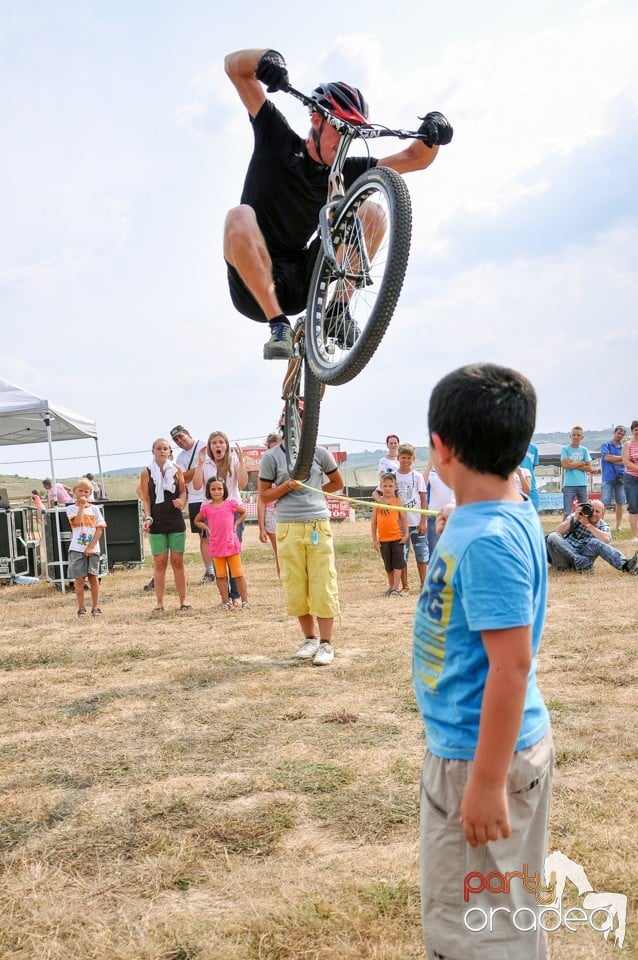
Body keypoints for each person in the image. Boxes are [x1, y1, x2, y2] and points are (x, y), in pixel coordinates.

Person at [413, 363, 553, 960]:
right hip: (485, 745)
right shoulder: (497, 510)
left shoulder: (489, 540)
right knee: (505, 909)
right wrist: (462, 513)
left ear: (440, 448)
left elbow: (511, 666)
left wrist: (487, 782)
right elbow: (506, 488)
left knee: (478, 924)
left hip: (479, 756)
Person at [224, 48, 452, 360]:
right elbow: (235, 69)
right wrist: (266, 58)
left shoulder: (343, 170)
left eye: (352, 133)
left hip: (299, 279)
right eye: (339, 128)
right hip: (251, 287)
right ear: (316, 120)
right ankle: (279, 327)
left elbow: (415, 158)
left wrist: (434, 130)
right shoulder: (276, 137)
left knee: (372, 212)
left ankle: (337, 312)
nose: (345, 140)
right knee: (239, 215)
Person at [258, 443, 344, 666]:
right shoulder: (272, 456)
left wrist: (315, 493)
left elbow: (338, 482)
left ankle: (326, 643)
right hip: (287, 525)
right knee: (295, 583)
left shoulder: (320, 452)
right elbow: (265, 496)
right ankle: (310, 639)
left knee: (322, 581)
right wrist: (286, 487)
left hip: (317, 523)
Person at [192, 431, 249, 606]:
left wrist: (240, 462)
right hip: (211, 513)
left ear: (226, 445)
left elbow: (243, 482)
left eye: (221, 442)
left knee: (232, 552)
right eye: (214, 443)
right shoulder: (206, 463)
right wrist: (200, 464)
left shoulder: (233, 461)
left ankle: (236, 595)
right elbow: (196, 485)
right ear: (210, 446)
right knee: (217, 553)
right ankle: (224, 599)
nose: (218, 446)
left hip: (231, 511)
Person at [139, 438, 191, 613]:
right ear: (153, 451)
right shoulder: (146, 473)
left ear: (170, 451)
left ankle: (183, 601)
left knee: (178, 562)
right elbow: (146, 498)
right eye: (159, 448)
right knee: (159, 562)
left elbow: (183, 491)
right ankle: (159, 603)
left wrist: (181, 501)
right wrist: (148, 517)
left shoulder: (176, 470)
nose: (162, 451)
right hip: (157, 521)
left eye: (165, 448)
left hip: (175, 520)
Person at [374, 443, 428, 589]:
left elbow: (423, 499)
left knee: (421, 555)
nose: (406, 460)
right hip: (398, 526)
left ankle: (424, 584)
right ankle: (404, 586)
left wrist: (423, 521)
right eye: (403, 457)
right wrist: (381, 502)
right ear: (398, 458)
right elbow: (376, 492)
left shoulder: (417, 477)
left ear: (413, 459)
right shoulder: (392, 477)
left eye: (409, 458)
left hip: (416, 522)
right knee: (401, 557)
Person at [194, 478, 249, 610]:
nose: (217, 491)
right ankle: (225, 601)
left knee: (238, 574)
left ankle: (245, 601)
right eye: (213, 489)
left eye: (219, 488)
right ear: (209, 491)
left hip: (231, 545)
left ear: (224, 490)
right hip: (216, 546)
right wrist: (206, 528)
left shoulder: (230, 504)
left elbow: (244, 512)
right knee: (221, 575)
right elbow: (197, 520)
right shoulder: (207, 508)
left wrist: (236, 524)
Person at [170, 425, 215, 583]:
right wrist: (197, 469)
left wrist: (191, 472)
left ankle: (221, 567)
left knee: (219, 534)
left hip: (213, 496)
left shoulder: (205, 444)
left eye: (181, 437)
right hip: (196, 499)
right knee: (203, 536)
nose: (180, 441)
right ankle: (209, 571)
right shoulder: (180, 458)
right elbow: (182, 478)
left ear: (188, 434)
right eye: (176, 440)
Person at [546, 500, 638, 575]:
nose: (593, 513)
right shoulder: (576, 516)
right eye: (592, 510)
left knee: (595, 542)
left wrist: (588, 525)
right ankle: (581, 562)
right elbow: (557, 532)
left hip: (584, 558)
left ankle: (626, 565)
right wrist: (574, 519)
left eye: (597, 511)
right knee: (553, 536)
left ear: (603, 514)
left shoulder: (603, 525)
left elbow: (606, 540)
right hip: (563, 561)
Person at [66, 477, 106, 617]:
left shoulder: (95, 509)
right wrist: (81, 506)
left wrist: (91, 546)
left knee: (93, 577)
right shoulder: (71, 508)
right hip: (77, 548)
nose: (83, 494)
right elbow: (76, 522)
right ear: (74, 491)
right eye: (80, 491)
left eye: (86, 491)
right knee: (79, 579)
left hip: (93, 549)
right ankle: (81, 608)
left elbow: (100, 529)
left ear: (90, 493)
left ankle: (95, 607)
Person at [371, 472, 409, 596]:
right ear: (381, 487)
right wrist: (375, 540)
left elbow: (404, 519)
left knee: (398, 564)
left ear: (395, 487)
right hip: (383, 539)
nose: (387, 488)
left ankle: (395, 588)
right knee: (388, 565)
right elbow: (374, 523)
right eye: (385, 486)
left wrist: (406, 534)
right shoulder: (377, 504)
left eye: (390, 486)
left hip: (397, 538)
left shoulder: (398, 502)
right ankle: (391, 586)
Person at [257, 432, 282, 576]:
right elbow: (261, 499)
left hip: (288, 511)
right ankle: (283, 580)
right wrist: (261, 528)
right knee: (279, 551)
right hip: (271, 513)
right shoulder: (265, 470)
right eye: (272, 449)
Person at [423, 462, 455, 558]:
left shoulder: (453, 470)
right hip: (434, 515)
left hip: (452, 515)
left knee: (452, 549)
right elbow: (422, 483)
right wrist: (429, 466)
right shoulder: (432, 472)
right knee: (434, 550)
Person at [560, 426, 592, 517]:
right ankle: (565, 531)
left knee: (585, 511)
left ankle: (583, 529)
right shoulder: (565, 449)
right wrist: (581, 463)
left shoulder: (584, 450)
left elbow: (589, 468)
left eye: (578, 435)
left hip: (582, 484)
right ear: (570, 436)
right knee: (567, 512)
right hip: (569, 485)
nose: (576, 437)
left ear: (582, 437)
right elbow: (565, 465)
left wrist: (573, 464)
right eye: (574, 435)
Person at [601, 426, 627, 533]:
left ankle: (618, 526)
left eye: (622, 434)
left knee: (620, 502)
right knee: (604, 503)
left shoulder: (624, 447)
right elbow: (607, 457)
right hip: (607, 477)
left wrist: (613, 459)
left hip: (620, 477)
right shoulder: (605, 445)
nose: (620, 435)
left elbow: (626, 462)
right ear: (614, 432)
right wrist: (622, 458)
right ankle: (600, 524)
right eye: (618, 433)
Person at [622, 420, 638, 543]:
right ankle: (635, 536)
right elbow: (626, 462)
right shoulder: (628, 444)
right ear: (632, 431)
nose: (637, 431)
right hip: (631, 478)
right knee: (633, 507)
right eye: (635, 429)